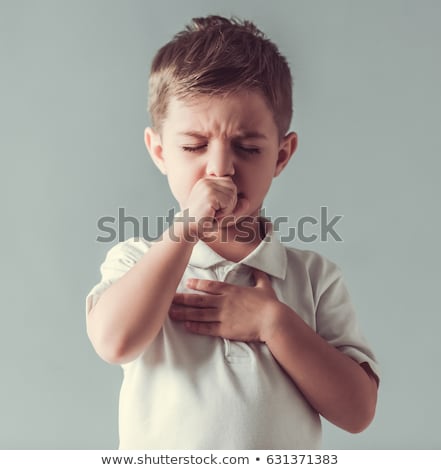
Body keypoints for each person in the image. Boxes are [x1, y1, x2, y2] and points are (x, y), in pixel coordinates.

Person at [85, 14, 380, 450]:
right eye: (194, 146)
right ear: (160, 151)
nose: (221, 167)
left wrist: (273, 323)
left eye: (247, 148)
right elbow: (114, 342)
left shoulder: (314, 278)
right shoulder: (137, 261)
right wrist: (186, 227)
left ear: (281, 156)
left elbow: (357, 413)